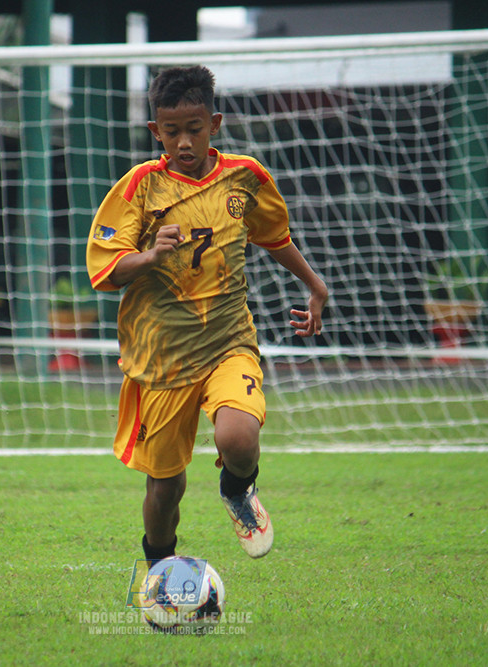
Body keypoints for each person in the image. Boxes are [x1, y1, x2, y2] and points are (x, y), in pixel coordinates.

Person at [86, 65, 328, 565]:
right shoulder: (140, 187)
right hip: (162, 358)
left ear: (214, 124)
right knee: (166, 487)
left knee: (238, 437)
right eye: (171, 132)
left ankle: (238, 491)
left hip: (227, 341)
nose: (184, 142)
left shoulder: (246, 177)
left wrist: (315, 284)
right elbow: (106, 270)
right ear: (156, 131)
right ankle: (159, 568)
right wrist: (150, 255)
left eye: (194, 129)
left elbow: (274, 237)